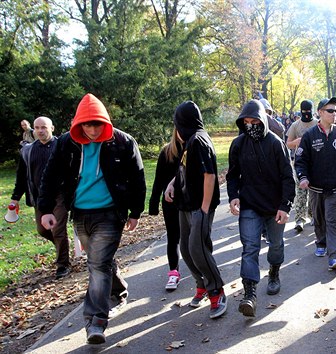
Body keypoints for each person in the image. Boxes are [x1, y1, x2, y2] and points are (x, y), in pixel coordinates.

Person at [38, 93, 146, 344]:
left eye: (97, 124)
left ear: (105, 122)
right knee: (100, 260)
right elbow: (50, 176)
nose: (93, 130)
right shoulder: (66, 143)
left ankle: (96, 321)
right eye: (87, 125)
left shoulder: (123, 141)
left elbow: (138, 178)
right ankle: (118, 290)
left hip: (111, 212)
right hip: (81, 213)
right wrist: (45, 210)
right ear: (79, 125)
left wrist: (136, 212)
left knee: (96, 264)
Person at [227, 99, 295, 317]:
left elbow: (287, 177)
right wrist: (233, 196)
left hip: (274, 207)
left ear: (263, 120)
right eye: (245, 121)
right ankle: (249, 294)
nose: (250, 125)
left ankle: (274, 273)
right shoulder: (238, 145)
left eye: (254, 121)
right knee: (249, 248)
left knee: (275, 244)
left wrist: (285, 206)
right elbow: (232, 176)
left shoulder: (276, 144)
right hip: (250, 206)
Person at [164, 100, 227, 318]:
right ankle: (201, 285)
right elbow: (186, 170)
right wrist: (173, 184)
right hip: (185, 205)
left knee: (198, 249)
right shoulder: (189, 141)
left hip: (199, 207)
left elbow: (210, 176)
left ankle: (216, 291)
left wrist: (203, 209)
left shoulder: (199, 140)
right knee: (186, 250)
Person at [295, 97, 336, 270]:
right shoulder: (309, 135)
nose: (334, 113)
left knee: (333, 220)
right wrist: (303, 177)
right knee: (319, 219)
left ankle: (335, 256)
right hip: (315, 188)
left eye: (335, 110)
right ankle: (321, 242)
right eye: (330, 110)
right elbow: (300, 160)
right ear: (320, 113)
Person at [10, 116, 70, 279]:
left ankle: (63, 264)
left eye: (44, 127)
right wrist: (15, 198)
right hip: (39, 196)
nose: (40, 131)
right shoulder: (27, 151)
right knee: (43, 230)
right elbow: (21, 176)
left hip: (60, 195)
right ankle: (62, 246)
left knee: (58, 229)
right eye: (37, 128)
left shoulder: (62, 146)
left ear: (52, 128)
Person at [149, 129, 183, 291]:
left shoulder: (195, 147)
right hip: (170, 203)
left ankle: (201, 271)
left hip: (190, 202)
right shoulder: (167, 152)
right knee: (173, 237)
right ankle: (173, 272)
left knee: (192, 239)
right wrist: (153, 204)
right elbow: (158, 179)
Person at [286, 100, 318, 232]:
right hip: (300, 164)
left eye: (308, 111)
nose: (306, 114)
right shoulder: (295, 125)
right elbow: (288, 144)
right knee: (300, 193)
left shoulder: (317, 123)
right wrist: (296, 142)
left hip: (316, 164)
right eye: (304, 111)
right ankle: (299, 220)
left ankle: (313, 216)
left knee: (314, 193)